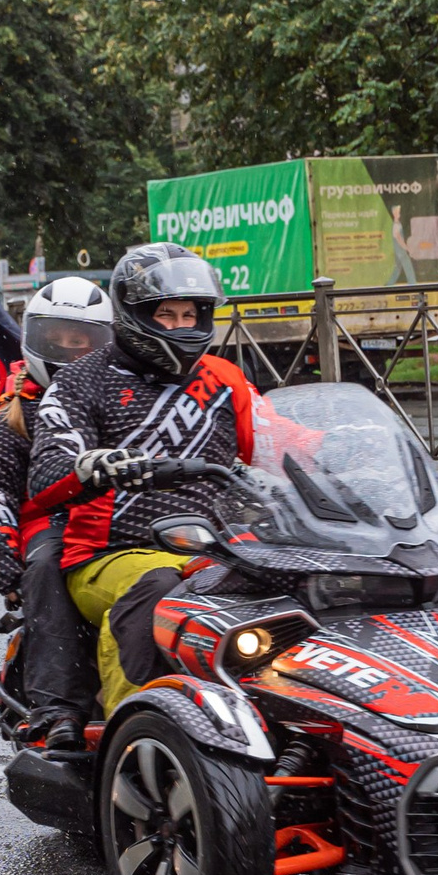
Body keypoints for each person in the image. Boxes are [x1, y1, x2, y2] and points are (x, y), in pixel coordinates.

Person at [25, 243, 256, 716]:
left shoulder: (225, 378)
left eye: (190, 314)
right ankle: (132, 724)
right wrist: (91, 467)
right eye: (166, 315)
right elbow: (47, 470)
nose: (181, 326)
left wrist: (348, 452)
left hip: (220, 547)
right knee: (157, 586)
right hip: (108, 555)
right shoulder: (80, 380)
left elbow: (279, 443)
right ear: (133, 314)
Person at [0, 276, 113, 752]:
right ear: (36, 338)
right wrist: (6, 569)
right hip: (50, 527)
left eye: (81, 341)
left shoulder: (118, 397)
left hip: (120, 519)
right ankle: (58, 710)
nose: (68, 350)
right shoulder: (14, 414)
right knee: (49, 565)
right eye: (56, 339)